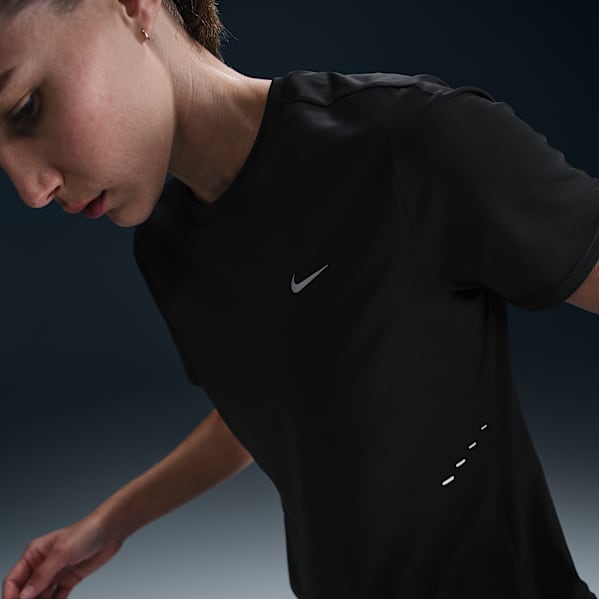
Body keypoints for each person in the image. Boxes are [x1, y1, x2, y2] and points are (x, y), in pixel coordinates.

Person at [1, 0, 599, 598]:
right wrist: (111, 522)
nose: (30, 189)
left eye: (26, 107)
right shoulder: (167, 251)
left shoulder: (410, 143)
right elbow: (272, 405)